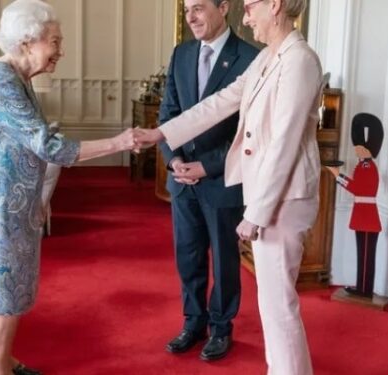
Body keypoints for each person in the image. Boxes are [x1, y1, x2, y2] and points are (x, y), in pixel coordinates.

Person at [134, 0, 322, 373]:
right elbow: (220, 103)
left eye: (250, 7)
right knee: (272, 304)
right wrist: (161, 132)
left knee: (279, 305)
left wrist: (257, 213)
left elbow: (283, 144)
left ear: (276, 5)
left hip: (283, 198)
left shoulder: (299, 60)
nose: (246, 16)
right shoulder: (271, 57)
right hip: (272, 194)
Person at [0, 1, 139, 374]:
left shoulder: (16, 79)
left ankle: (1, 357)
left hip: (13, 200)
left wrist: (38, 196)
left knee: (13, 286)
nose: (61, 50)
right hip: (1, 205)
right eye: (55, 41)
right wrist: (119, 143)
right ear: (27, 42)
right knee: (7, 289)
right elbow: (50, 147)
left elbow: (17, 142)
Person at [159, 0, 258, 362]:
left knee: (224, 262)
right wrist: (174, 160)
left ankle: (220, 328)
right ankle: (193, 322)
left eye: (199, 8)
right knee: (188, 256)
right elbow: (168, 111)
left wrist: (208, 166)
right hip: (183, 179)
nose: (190, 17)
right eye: (186, 10)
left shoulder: (250, 58)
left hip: (223, 180)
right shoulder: (181, 54)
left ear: (224, 7)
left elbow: (251, 132)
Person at [326, 113, 384, 299]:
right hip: (363, 214)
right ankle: (362, 286)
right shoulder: (363, 166)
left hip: (367, 216)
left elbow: (358, 188)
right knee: (363, 254)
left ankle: (365, 289)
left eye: (359, 148)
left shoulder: (368, 167)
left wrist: (338, 176)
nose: (356, 151)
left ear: (368, 150)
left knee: (366, 255)